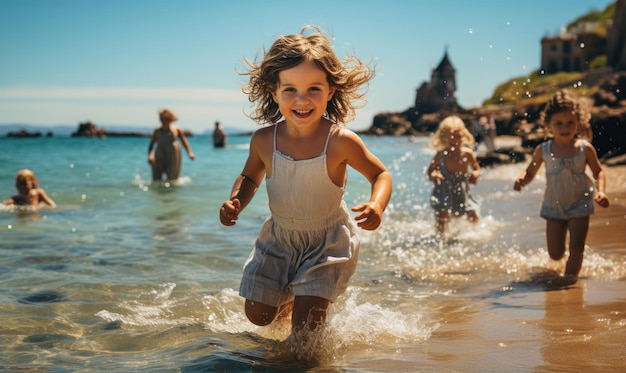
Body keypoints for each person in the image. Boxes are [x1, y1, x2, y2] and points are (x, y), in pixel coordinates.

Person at [219, 26, 392, 343]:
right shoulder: (263, 140)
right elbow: (249, 177)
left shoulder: (340, 141)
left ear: (330, 91)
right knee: (258, 315)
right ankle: (293, 295)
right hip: (280, 239)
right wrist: (236, 201)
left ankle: (309, 300)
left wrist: (376, 205)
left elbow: (380, 174)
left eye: (314, 88)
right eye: (290, 90)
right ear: (274, 92)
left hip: (326, 242)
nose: (302, 100)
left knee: (305, 333)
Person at [514, 90, 609, 279]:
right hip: (554, 206)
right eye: (559, 123)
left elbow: (599, 171)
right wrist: (522, 179)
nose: (564, 128)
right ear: (548, 125)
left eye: (570, 123)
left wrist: (602, 192)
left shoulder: (584, 148)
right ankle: (564, 268)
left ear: (578, 123)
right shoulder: (544, 150)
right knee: (555, 254)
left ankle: (569, 282)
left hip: (580, 204)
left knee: (576, 247)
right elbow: (530, 171)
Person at [426, 115, 481, 236]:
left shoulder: (468, 154)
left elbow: (476, 168)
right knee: (442, 217)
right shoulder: (440, 155)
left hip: (462, 190)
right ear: (442, 138)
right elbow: (430, 171)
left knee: (472, 214)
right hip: (444, 190)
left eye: (458, 137)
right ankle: (440, 238)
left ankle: (478, 233)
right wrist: (434, 175)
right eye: (450, 138)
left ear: (463, 136)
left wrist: (476, 173)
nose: (455, 141)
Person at [147, 109, 195, 181]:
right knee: (156, 179)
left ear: (171, 119)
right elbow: (151, 145)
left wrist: (190, 152)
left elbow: (184, 141)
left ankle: (171, 191)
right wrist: (150, 155)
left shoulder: (176, 129)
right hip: (160, 154)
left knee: (172, 179)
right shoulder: (157, 130)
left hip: (173, 154)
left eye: (166, 119)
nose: (164, 121)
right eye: (162, 119)